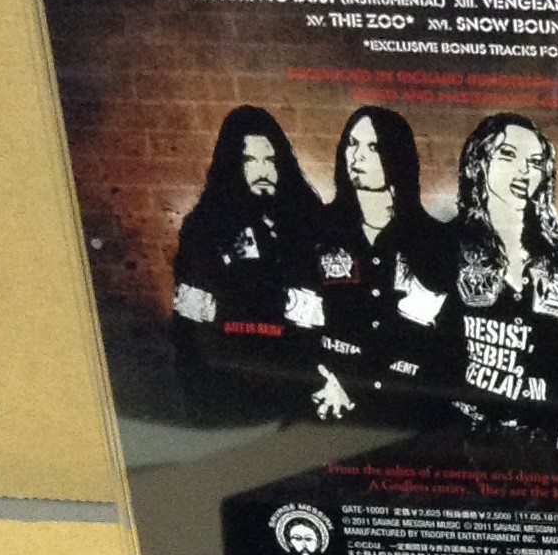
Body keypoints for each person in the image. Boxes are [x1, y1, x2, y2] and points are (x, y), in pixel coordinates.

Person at [286, 106, 454, 421]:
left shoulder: (433, 239)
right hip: (333, 405)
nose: (357, 157)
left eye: (373, 147)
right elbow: (297, 324)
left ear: (397, 156)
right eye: (352, 144)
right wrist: (319, 378)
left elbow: (446, 339)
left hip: (410, 410)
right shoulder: (317, 230)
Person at [439, 113, 558, 425]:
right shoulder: (446, 243)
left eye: (535, 162)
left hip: (544, 433)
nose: (524, 170)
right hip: (464, 432)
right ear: (478, 163)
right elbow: (421, 342)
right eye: (508, 155)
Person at [172, 105, 320, 394]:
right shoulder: (203, 228)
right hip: (229, 382)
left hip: (297, 381)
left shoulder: (308, 221)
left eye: (270, 160)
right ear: (232, 165)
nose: (262, 171)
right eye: (250, 160)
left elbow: (324, 309)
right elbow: (189, 323)